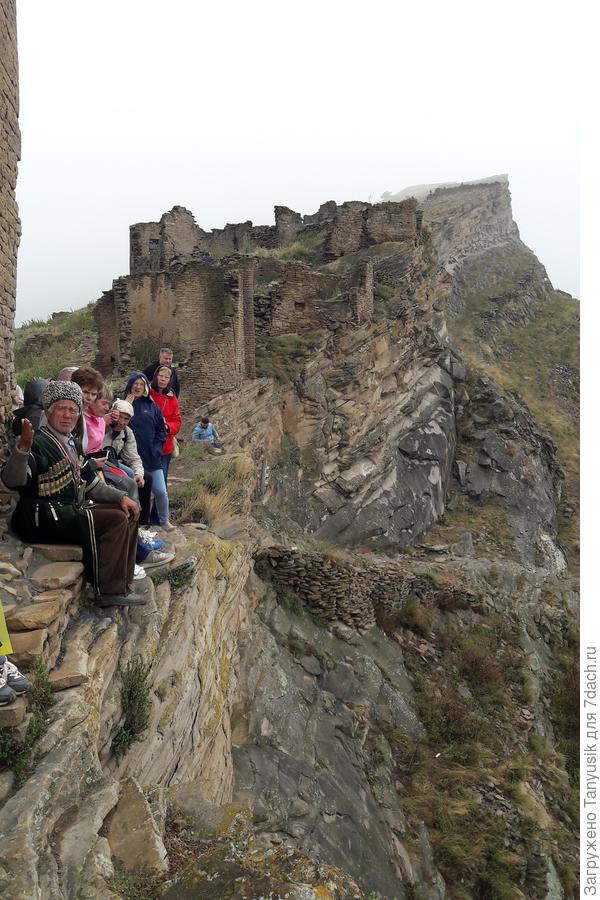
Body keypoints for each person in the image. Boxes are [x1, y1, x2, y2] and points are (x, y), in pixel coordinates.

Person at [1, 381, 145, 607]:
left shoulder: (74, 444)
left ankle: (123, 584)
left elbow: (91, 485)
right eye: (61, 409)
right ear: (49, 411)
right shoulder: (38, 443)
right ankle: (107, 591)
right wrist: (22, 450)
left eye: (73, 410)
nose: (68, 415)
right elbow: (13, 481)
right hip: (40, 517)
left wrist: (121, 497)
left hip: (67, 511)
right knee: (115, 519)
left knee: (128, 511)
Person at [103, 399, 174, 568]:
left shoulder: (127, 433)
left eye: (126, 419)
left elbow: (134, 457)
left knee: (145, 479)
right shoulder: (102, 428)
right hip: (103, 466)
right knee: (127, 481)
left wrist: (139, 474)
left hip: (114, 464)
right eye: (119, 417)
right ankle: (135, 536)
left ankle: (141, 525)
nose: (121, 422)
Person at [123, 372, 174, 530]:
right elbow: (116, 426)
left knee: (160, 492)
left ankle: (164, 520)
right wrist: (126, 404)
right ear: (130, 385)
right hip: (130, 458)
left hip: (151, 457)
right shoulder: (122, 404)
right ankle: (140, 525)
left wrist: (157, 448)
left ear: (145, 387)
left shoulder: (152, 406)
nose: (138, 387)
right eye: (135, 383)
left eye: (141, 384)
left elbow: (162, 429)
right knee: (138, 494)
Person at [150, 366, 182, 483]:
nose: (163, 379)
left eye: (166, 377)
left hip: (165, 446)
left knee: (161, 482)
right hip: (146, 445)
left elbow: (177, 422)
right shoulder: (147, 394)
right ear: (155, 376)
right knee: (146, 482)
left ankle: (160, 502)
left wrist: (167, 427)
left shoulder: (172, 399)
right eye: (161, 376)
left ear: (170, 380)